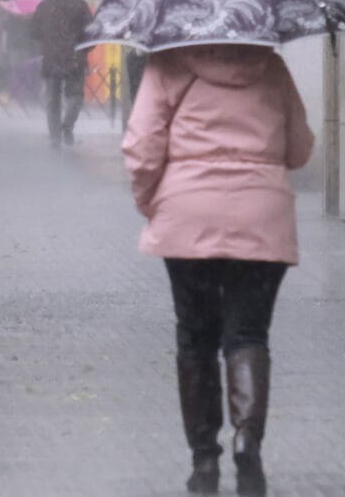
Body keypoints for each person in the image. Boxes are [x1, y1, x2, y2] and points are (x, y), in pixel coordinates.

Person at [122, 44, 314, 496]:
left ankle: (205, 461)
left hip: (188, 214)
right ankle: (248, 441)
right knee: (248, 335)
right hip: (261, 216)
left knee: (195, 336)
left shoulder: (168, 64)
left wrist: (151, 201)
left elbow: (142, 146)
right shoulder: (270, 65)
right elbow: (300, 148)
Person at [30, 0, 92, 147]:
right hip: (75, 57)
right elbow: (92, 31)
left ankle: (55, 137)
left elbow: (33, 33)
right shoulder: (80, 5)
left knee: (53, 99)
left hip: (51, 58)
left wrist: (47, 39)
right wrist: (85, 50)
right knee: (76, 96)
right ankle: (67, 126)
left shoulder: (43, 7)